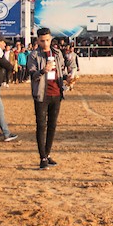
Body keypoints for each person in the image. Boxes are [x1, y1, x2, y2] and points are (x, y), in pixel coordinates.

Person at [26, 27, 74, 170]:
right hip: (42, 94)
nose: (45, 43)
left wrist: (68, 78)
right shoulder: (34, 55)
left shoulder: (57, 53)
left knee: (52, 125)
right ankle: (42, 157)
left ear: (51, 38)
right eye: (42, 41)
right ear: (38, 40)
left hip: (56, 93)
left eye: (47, 40)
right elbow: (32, 75)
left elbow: (62, 71)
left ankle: (47, 153)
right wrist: (43, 70)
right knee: (41, 126)